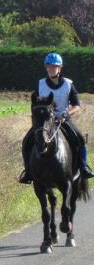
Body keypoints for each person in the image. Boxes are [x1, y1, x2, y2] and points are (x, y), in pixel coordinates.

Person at [19, 52, 94, 184]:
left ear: (60, 68)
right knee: (26, 142)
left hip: (63, 120)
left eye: (55, 66)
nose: (52, 69)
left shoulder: (68, 84)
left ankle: (83, 167)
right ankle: (28, 172)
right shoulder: (40, 84)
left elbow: (77, 105)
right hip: (44, 122)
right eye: (49, 66)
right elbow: (34, 103)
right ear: (46, 68)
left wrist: (67, 114)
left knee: (80, 139)